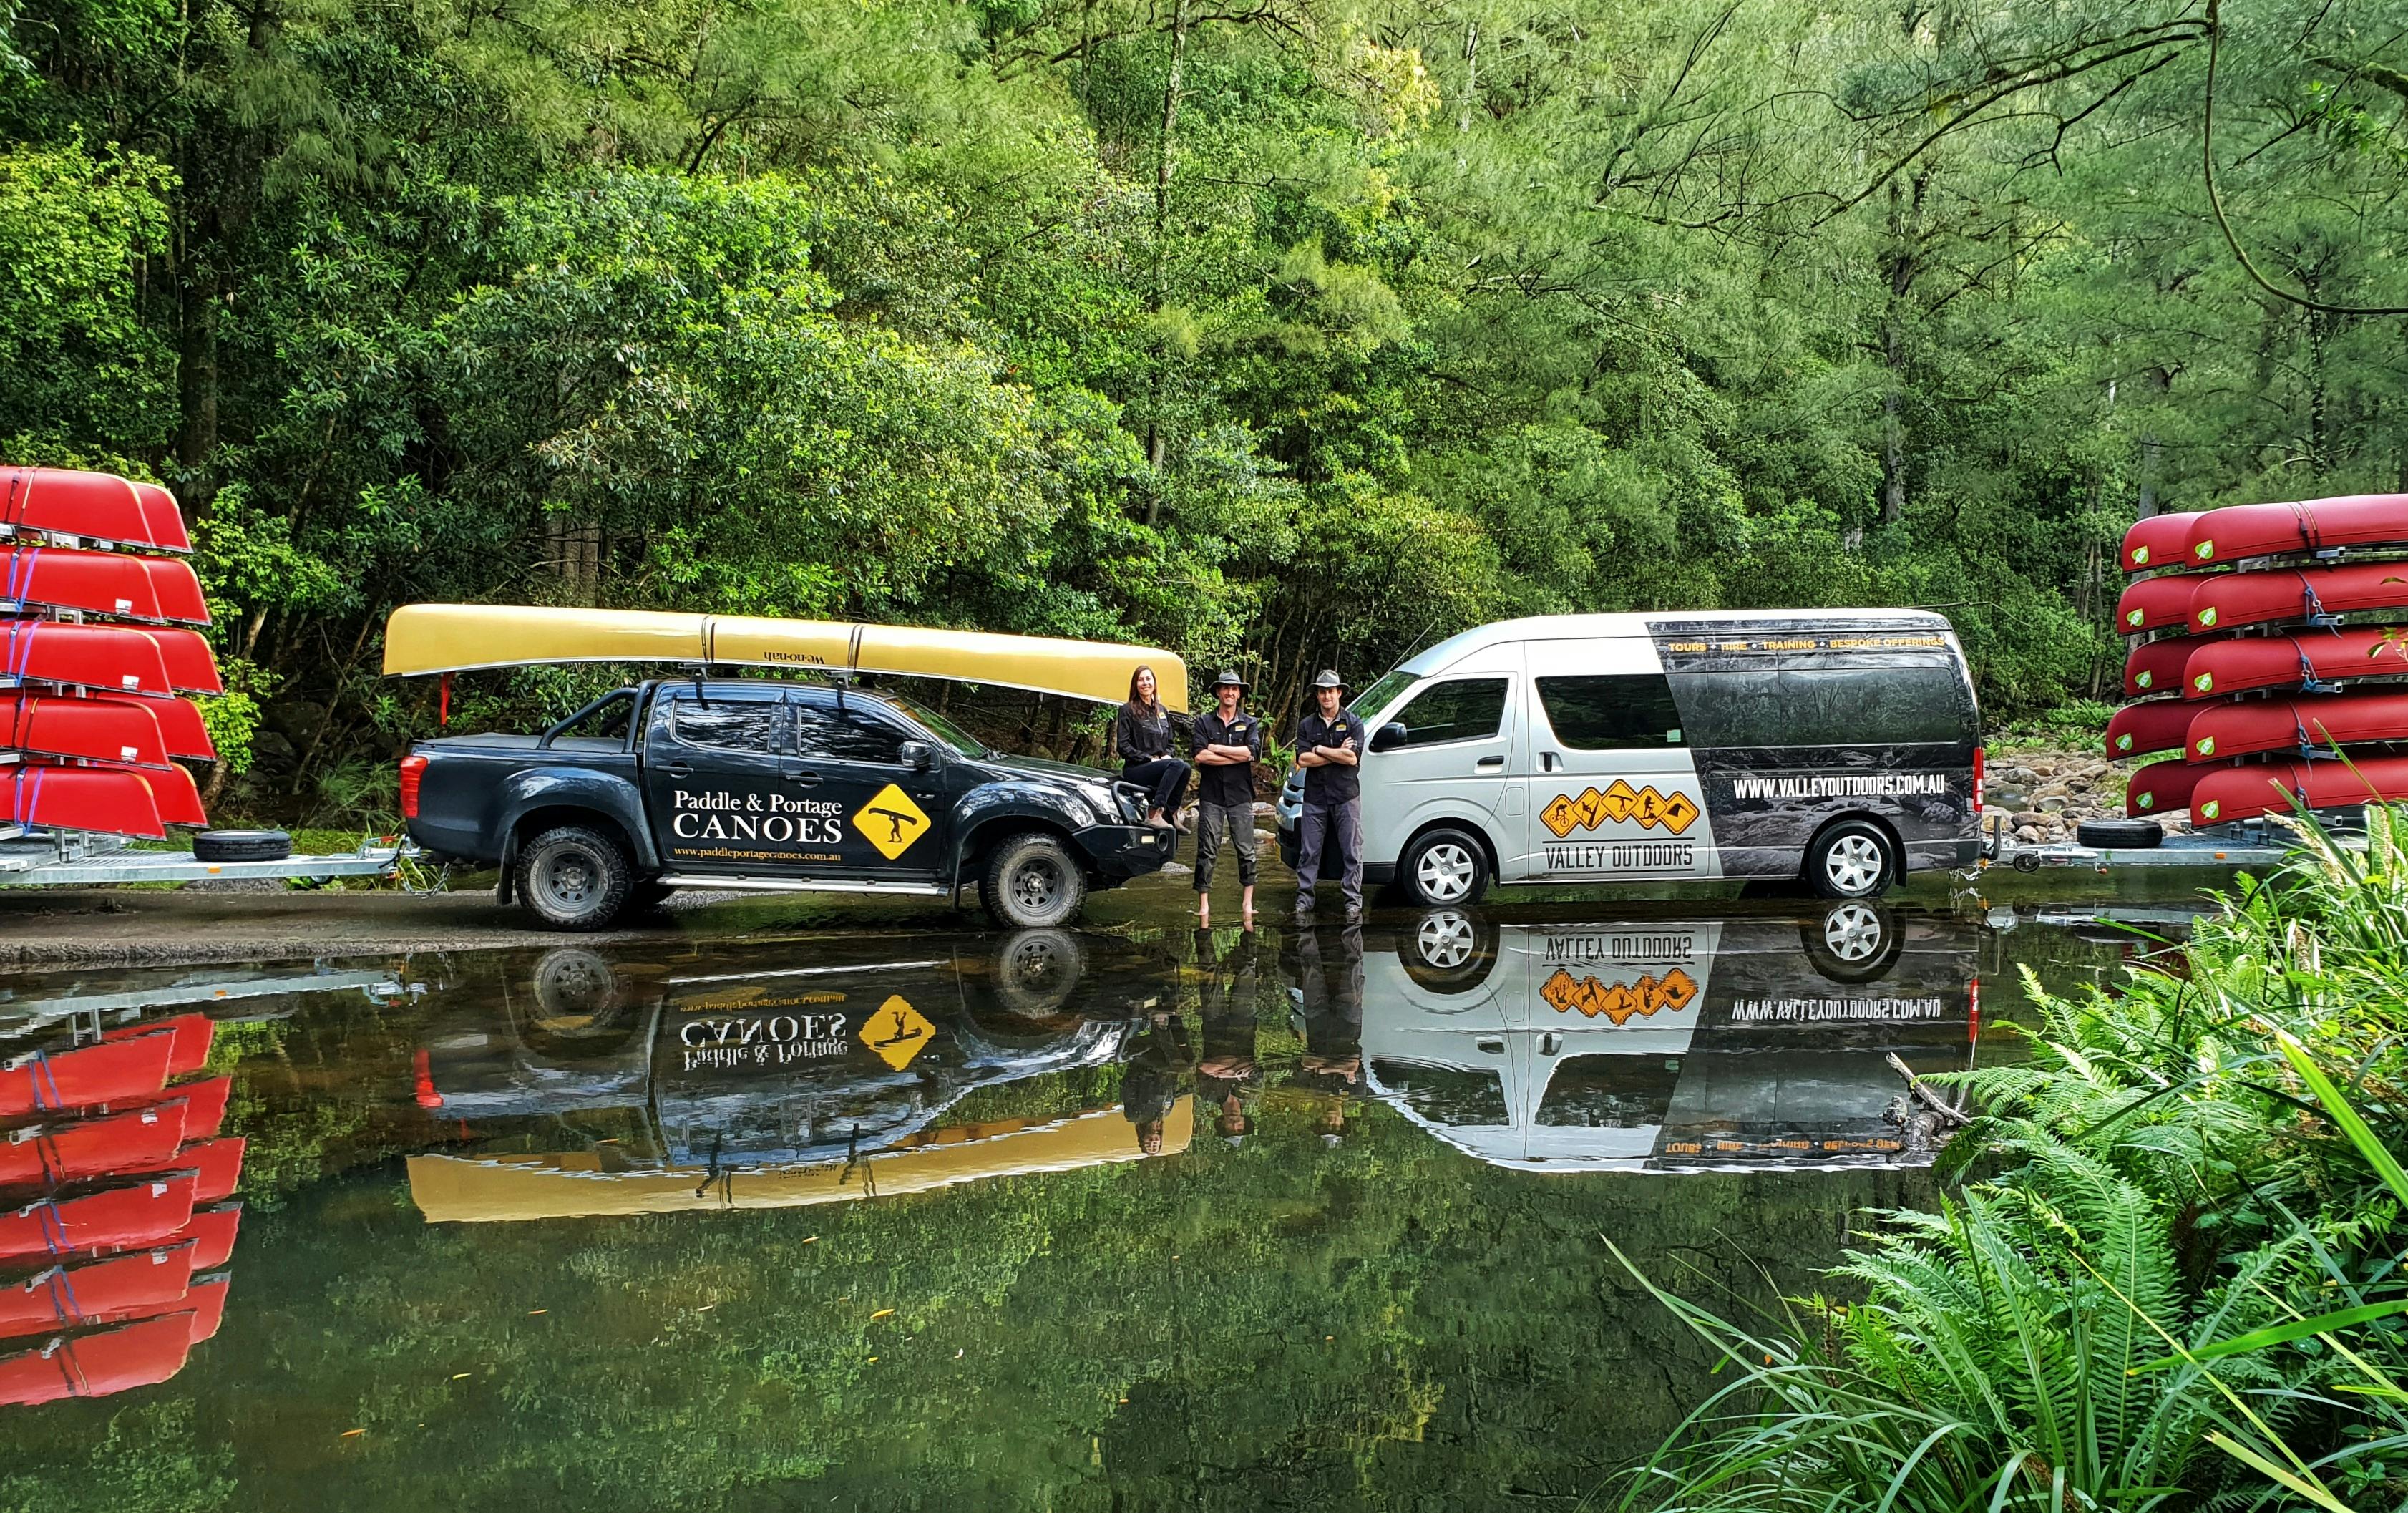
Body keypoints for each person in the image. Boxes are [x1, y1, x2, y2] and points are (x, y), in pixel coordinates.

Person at [1189, 668, 1262, 929]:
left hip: (1241, 795)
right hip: (1211, 795)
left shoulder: (1250, 723)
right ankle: (1204, 905)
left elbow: (1250, 753)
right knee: (1207, 850)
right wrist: (1235, 754)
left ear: (1239, 693)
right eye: (1225, 688)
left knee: (1246, 850)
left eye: (1234, 689)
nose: (1230, 692)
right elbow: (1199, 756)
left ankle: (1247, 903)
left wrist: (1217, 749)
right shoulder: (1203, 723)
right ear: (1218, 692)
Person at [1292, 668, 1365, 921]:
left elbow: (1352, 758)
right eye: (1322, 692)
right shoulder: (1306, 725)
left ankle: (1353, 901)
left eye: (1331, 691)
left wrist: (1321, 749)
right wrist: (1337, 753)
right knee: (1309, 852)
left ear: (1339, 693)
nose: (1326, 696)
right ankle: (1304, 900)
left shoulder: (1354, 722)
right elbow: (1303, 759)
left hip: (1346, 796)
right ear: (1318, 695)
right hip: (1315, 798)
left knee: (1352, 851)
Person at [1113, 664, 1190, 828]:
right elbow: (1123, 746)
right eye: (1141, 680)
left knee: (1186, 768)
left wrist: (1167, 755)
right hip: (1137, 768)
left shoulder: (1162, 710)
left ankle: (1172, 813)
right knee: (1177, 765)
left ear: (1154, 683)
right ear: (1135, 684)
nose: (1145, 683)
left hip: (1161, 766)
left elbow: (1170, 742)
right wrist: (1149, 759)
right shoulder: (1127, 710)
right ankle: (1154, 812)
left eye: (1148, 679)